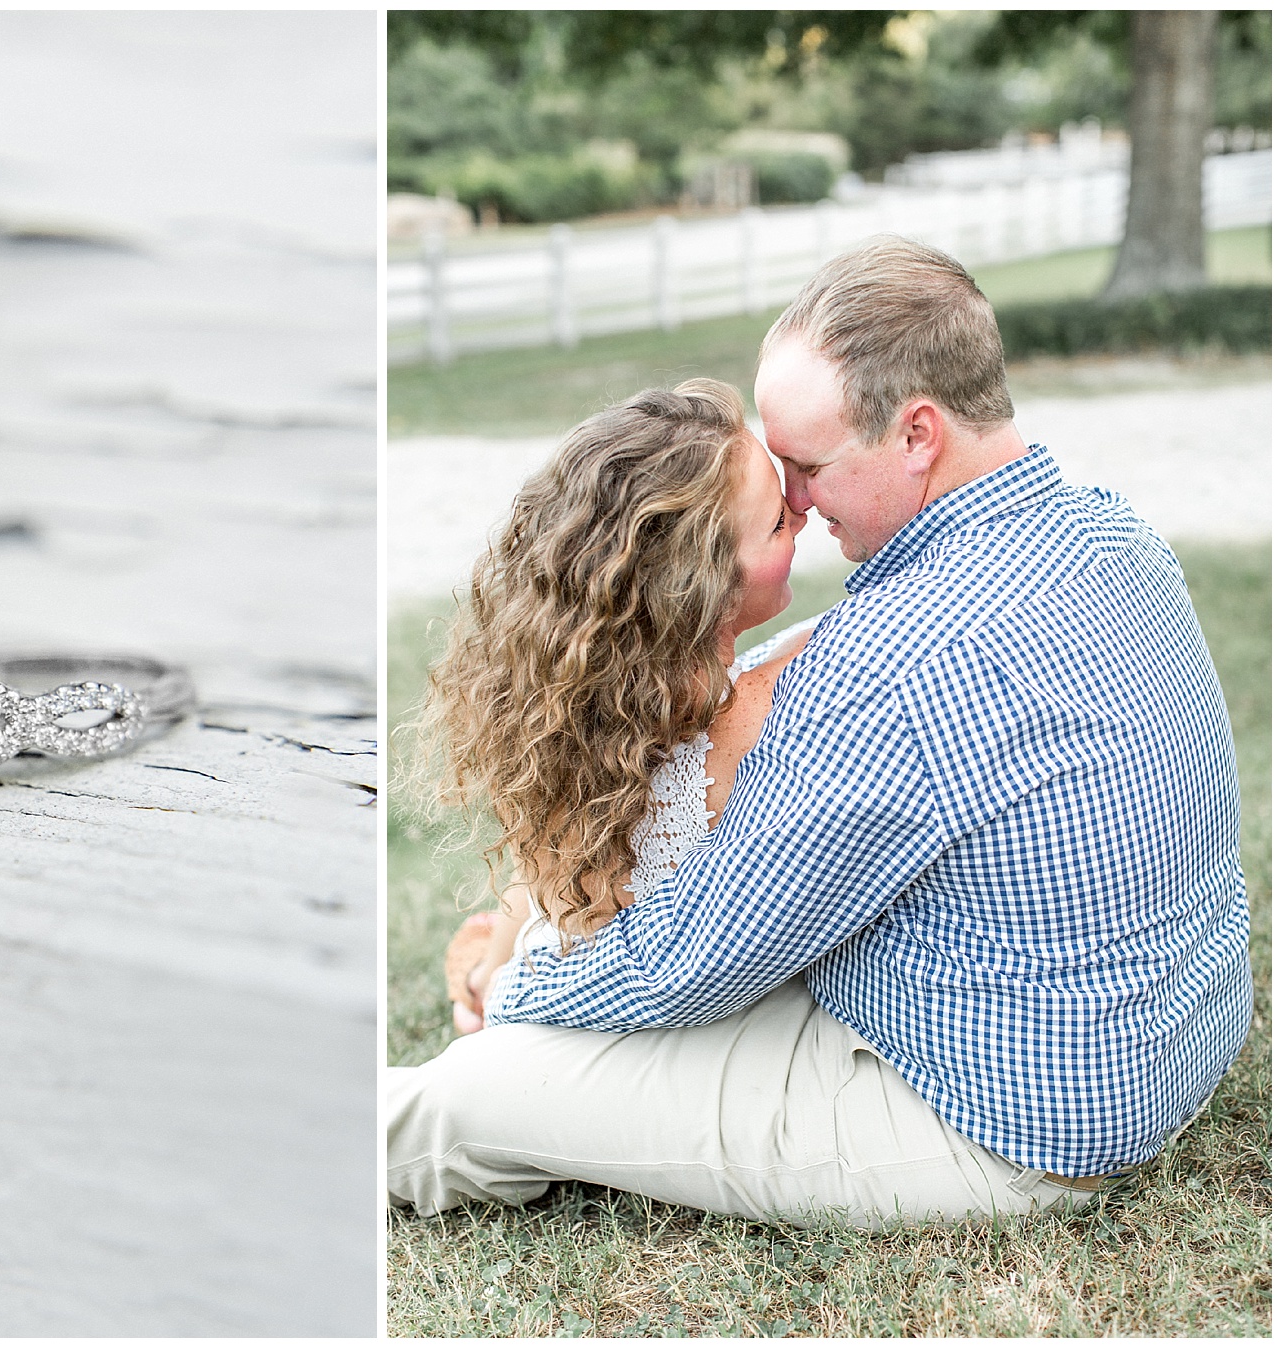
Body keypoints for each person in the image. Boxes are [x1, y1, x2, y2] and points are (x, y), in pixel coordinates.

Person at [389, 237, 1252, 1229]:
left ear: (918, 433)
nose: (791, 497)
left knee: (474, 1093)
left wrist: (520, 983)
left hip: (1003, 1121)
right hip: (1173, 1029)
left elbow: (688, 960)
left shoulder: (897, 661)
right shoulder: (1111, 529)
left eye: (804, 464)